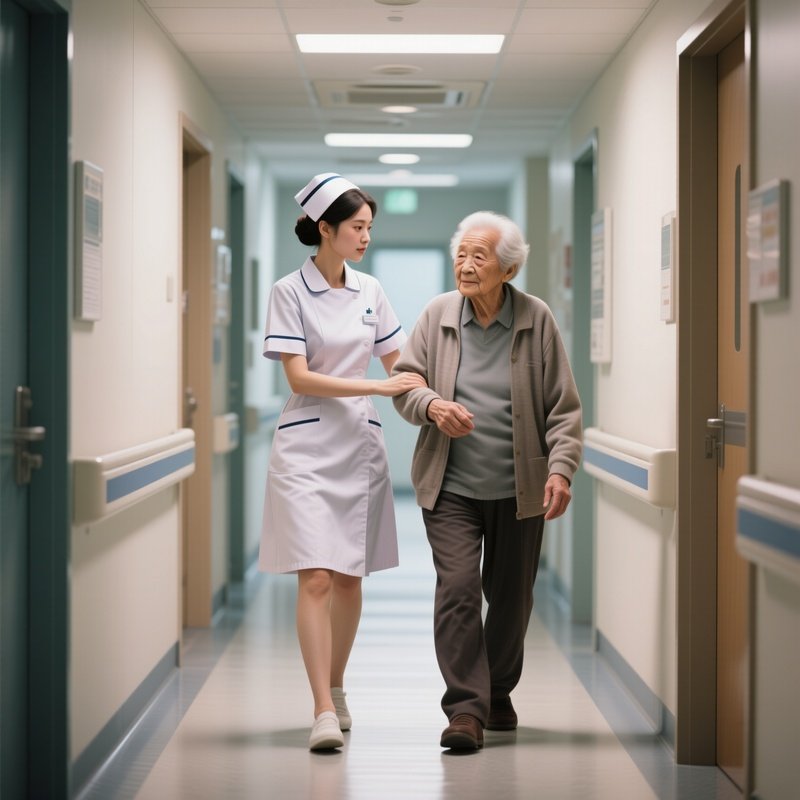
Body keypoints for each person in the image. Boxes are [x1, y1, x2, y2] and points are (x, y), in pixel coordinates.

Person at [392, 211, 582, 751]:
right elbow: (404, 382)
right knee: (457, 590)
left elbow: (562, 408)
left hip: (519, 489)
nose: (466, 265)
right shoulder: (437, 315)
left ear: (508, 268)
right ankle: (466, 711)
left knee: (511, 597)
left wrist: (561, 469)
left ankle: (497, 691)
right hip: (449, 486)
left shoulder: (535, 318)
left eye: (480, 257)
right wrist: (431, 406)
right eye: (462, 255)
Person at [259, 173, 425, 751]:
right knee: (317, 575)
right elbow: (299, 377)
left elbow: (403, 364)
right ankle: (322, 709)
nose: (364, 238)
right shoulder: (288, 291)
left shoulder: (371, 291)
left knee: (351, 577)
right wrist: (377, 390)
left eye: (369, 229)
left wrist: (436, 395)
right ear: (324, 229)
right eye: (356, 227)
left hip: (358, 447)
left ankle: (337, 683)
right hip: (305, 448)